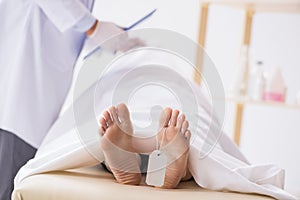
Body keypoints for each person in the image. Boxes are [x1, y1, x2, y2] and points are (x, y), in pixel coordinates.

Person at [0, 0, 142, 199]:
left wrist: (99, 33)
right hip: (19, 96)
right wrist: (94, 27)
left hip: (34, 90)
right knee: (10, 175)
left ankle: (132, 157)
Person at [99, 103, 192, 188]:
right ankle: (182, 171)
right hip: (173, 148)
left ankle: (121, 161)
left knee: (103, 154)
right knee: (192, 161)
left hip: (133, 145)